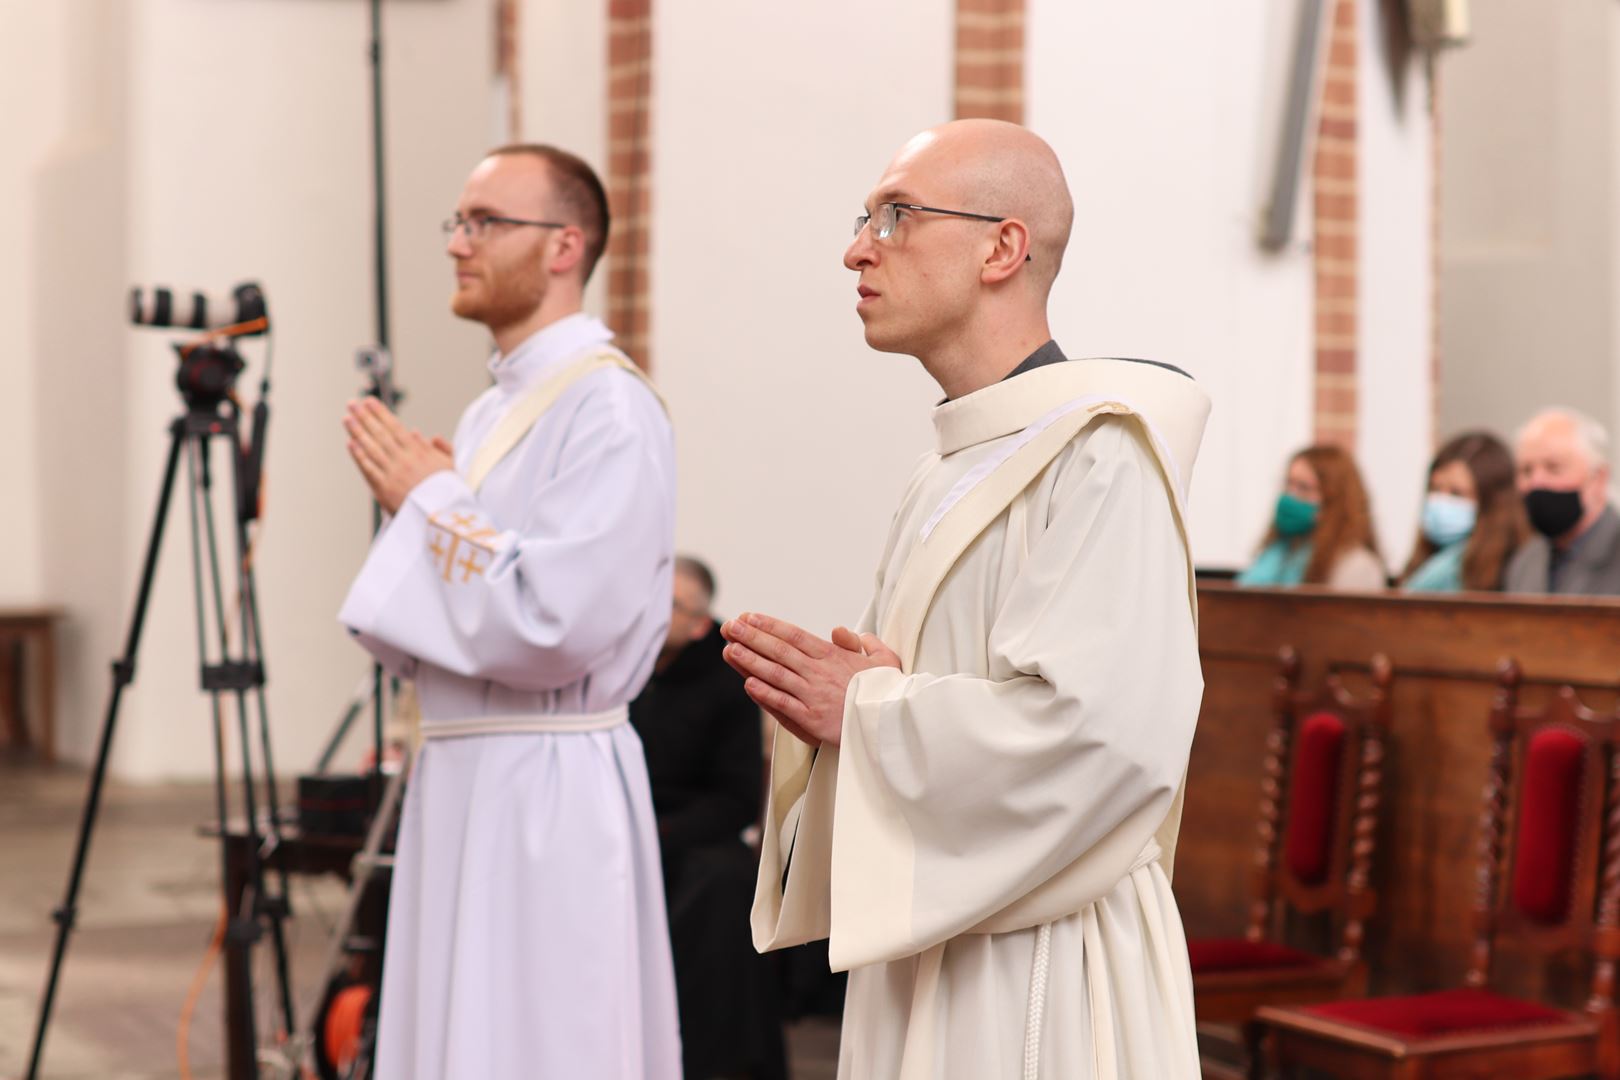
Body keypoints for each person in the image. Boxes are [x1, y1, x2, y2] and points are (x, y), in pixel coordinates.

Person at [720, 119, 1211, 1078]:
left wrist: (864, 710)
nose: (858, 248)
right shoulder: (951, 463)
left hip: (1040, 965)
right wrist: (873, 699)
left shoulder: (1102, 455)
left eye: (897, 216)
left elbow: (1104, 738)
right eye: (864, 217)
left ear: (1003, 246)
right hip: (930, 942)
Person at [336, 143, 680, 1079]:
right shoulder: (496, 413)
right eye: (458, 221)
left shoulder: (609, 410)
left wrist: (432, 503)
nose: (459, 243)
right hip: (465, 773)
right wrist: (430, 506)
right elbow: (466, 602)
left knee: (540, 1041)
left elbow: (557, 625)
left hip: (546, 783)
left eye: (486, 222)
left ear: (566, 244)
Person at [630, 556, 787, 1080]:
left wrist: (661, 835)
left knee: (717, 886)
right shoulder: (618, 668)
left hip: (690, 837)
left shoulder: (725, 682)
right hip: (618, 827)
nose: (653, 611)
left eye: (670, 604)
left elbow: (735, 798)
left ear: (700, 623)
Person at [1503, 407, 1620, 595]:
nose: (1536, 482)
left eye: (1554, 468)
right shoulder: (1526, 562)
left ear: (1598, 478)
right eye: (1526, 471)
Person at [1235, 444, 1385, 590]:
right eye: (1288, 484)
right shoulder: (1274, 556)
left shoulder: (1356, 567)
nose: (1290, 496)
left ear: (1336, 500)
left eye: (1303, 488)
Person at [1398, 431, 1527, 592]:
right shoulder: (1422, 570)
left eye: (1456, 493)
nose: (1440, 501)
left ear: (1490, 504)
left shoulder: (1517, 571)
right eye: (1435, 489)